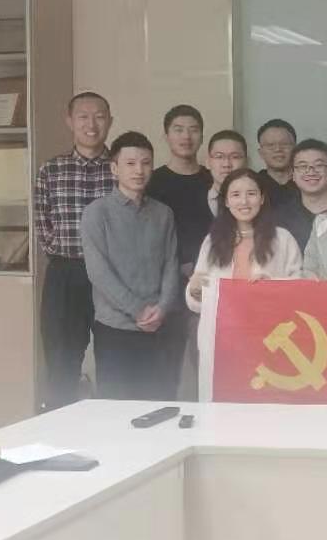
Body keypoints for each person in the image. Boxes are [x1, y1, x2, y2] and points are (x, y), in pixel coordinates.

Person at [80, 131, 180, 401]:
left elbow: (171, 264)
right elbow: (98, 272)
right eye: (130, 163)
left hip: (158, 326)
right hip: (115, 328)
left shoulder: (163, 213)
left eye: (146, 163)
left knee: (159, 405)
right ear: (114, 168)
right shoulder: (96, 213)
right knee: (117, 409)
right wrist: (138, 310)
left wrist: (162, 308)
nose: (139, 170)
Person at [186, 168, 302, 400]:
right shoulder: (212, 241)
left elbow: (300, 288)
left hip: (270, 338)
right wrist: (195, 291)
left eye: (251, 193)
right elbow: (197, 295)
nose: (244, 201)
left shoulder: (283, 239)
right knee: (224, 400)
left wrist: (273, 286)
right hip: (223, 339)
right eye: (236, 195)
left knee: (266, 402)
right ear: (226, 201)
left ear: (262, 198)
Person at [33, 91, 115, 410]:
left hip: (113, 275)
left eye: (99, 117)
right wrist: (65, 254)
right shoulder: (51, 170)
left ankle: (113, 432)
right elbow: (42, 223)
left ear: (110, 121)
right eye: (83, 117)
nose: (91, 125)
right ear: (69, 121)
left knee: (116, 362)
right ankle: (59, 431)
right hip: (66, 272)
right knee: (61, 363)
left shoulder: (122, 168)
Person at [145, 104, 214, 395]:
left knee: (209, 368)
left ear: (202, 136)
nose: (186, 136)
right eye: (178, 130)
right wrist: (180, 265)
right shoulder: (152, 182)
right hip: (167, 288)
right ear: (166, 135)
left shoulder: (213, 180)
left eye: (193, 130)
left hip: (207, 287)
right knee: (164, 372)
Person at [276, 139, 327, 249]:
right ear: (292, 174)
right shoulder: (280, 216)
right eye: (303, 166)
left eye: (319, 165)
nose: (311, 171)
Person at [256, 119, 299, 208]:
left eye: (285, 144)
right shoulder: (253, 184)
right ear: (261, 153)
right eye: (270, 145)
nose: (278, 149)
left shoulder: (308, 182)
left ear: (296, 149)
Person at [205, 129, 249, 216]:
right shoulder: (190, 201)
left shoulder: (256, 203)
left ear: (246, 162)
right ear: (208, 162)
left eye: (235, 157)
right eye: (219, 157)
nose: (226, 164)